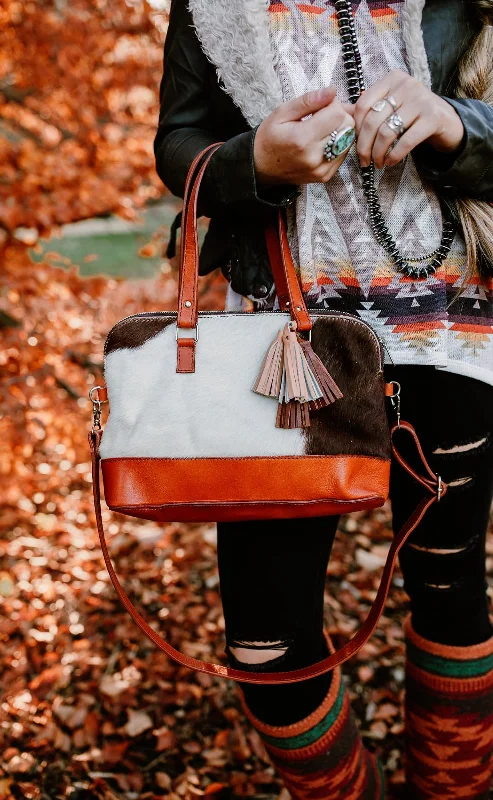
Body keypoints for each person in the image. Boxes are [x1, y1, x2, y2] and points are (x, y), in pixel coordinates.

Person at [153, 1, 493, 797]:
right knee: (264, 643)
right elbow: (178, 145)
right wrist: (253, 163)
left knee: (450, 593)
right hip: (279, 343)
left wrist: (452, 123)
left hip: (446, 332)